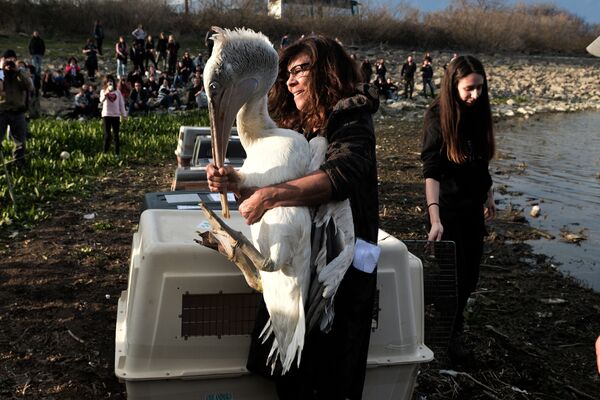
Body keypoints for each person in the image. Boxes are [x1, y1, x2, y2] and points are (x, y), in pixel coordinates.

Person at [206, 35, 379, 400]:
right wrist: (236, 181)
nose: (290, 80)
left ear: (327, 71)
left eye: (301, 70)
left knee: (329, 378)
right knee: (293, 375)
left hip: (339, 272)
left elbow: (342, 175)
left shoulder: (351, 118)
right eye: (287, 72)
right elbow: (278, 185)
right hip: (301, 265)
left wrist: (268, 196)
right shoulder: (296, 129)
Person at [421, 55, 496, 365]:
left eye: (480, 88)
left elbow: (480, 161)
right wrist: (435, 218)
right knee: (453, 277)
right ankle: (448, 336)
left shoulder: (479, 111)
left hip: (472, 208)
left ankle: (448, 325)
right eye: (468, 89)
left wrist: (489, 193)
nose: (475, 95)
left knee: (470, 276)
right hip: (447, 208)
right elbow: (432, 171)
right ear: (453, 86)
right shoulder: (437, 116)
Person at [0, 49, 34, 169]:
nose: (9, 62)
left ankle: (19, 163)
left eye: (12, 60)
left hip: (17, 112)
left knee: (20, 141)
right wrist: (1, 70)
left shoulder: (19, 74)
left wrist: (18, 71)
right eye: (6, 59)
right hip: (2, 111)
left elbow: (30, 87)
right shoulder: (0, 74)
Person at [99, 75, 127, 155]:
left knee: (116, 135)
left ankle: (117, 154)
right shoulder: (103, 91)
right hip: (106, 115)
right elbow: (101, 100)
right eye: (108, 81)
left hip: (116, 115)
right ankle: (105, 153)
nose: (110, 83)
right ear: (105, 83)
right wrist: (106, 93)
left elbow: (121, 104)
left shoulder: (117, 92)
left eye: (111, 81)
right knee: (107, 135)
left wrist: (124, 114)